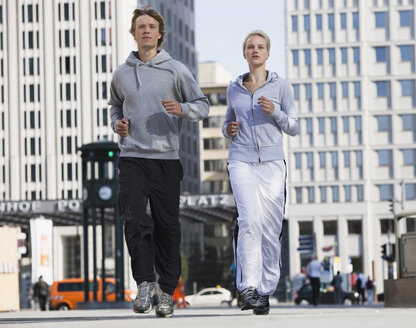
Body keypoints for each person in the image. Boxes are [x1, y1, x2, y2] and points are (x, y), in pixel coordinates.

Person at [109, 6, 209, 318]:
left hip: (166, 160)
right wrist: (117, 124)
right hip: (132, 158)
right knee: (135, 221)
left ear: (160, 33)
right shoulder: (122, 73)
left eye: (151, 26)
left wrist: (182, 109)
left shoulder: (176, 70)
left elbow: (202, 106)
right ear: (134, 33)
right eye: (141, 26)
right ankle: (144, 283)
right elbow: (114, 106)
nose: (146, 31)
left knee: (168, 228)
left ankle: (166, 293)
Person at [223, 30, 299, 315]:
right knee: (248, 221)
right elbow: (228, 123)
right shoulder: (234, 88)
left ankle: (265, 290)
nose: (255, 51)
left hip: (271, 163)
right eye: (250, 47)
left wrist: (275, 112)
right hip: (240, 160)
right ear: (244, 53)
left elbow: (294, 126)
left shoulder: (281, 87)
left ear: (268, 53)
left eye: (260, 47)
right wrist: (227, 129)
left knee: (269, 229)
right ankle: (248, 287)